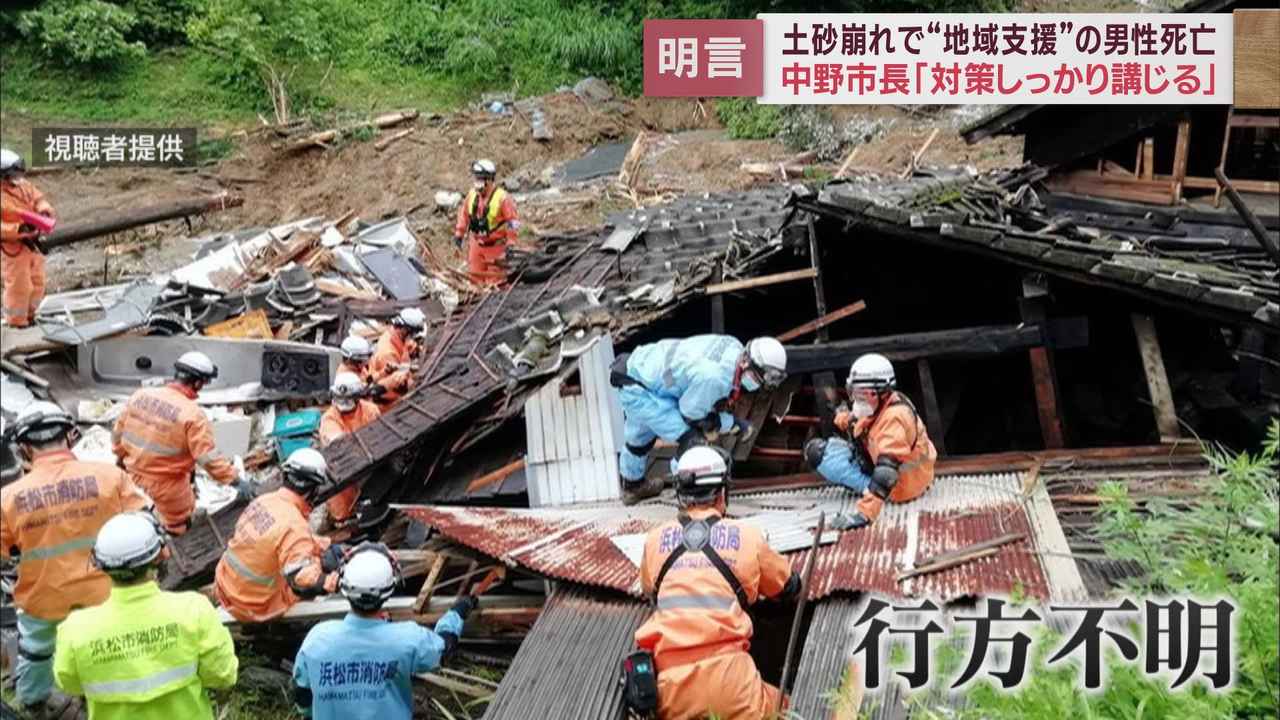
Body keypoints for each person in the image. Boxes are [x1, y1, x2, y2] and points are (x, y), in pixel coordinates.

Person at [0, 402, 151, 717]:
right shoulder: (111, 477)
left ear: (25, 448)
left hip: (45, 598)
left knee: (36, 652)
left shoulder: (9, 498)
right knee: (112, 648)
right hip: (105, 594)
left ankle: (34, 701)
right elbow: (148, 528)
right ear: (69, 437)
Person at [635, 446, 801, 720]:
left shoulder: (654, 541)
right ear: (722, 493)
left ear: (681, 495)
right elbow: (787, 587)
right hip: (731, 684)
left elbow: (648, 590)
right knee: (788, 708)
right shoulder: (747, 537)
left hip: (671, 690)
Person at [53, 512, 239, 720]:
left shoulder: (76, 631)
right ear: (161, 555)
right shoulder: (194, 610)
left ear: (101, 565)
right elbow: (223, 674)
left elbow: (69, 682)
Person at [292, 543, 475, 720]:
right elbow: (445, 648)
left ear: (345, 587)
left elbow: (302, 693)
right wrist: (456, 613)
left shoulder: (317, 638)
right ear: (389, 589)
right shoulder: (408, 639)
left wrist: (309, 713)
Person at [611, 335, 787, 504]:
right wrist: (732, 424)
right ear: (747, 363)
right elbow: (691, 415)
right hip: (638, 388)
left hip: (642, 369)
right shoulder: (715, 377)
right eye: (760, 378)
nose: (760, 383)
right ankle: (688, 499)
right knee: (691, 440)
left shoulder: (733, 345)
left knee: (640, 437)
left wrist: (729, 422)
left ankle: (632, 487)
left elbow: (697, 396)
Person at [112, 351, 254, 535]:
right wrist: (235, 480)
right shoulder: (193, 415)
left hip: (131, 475)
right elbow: (208, 459)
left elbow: (117, 433)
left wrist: (120, 457)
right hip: (167, 486)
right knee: (178, 527)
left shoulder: (141, 396)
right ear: (198, 383)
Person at [804, 353, 936, 530]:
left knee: (819, 455)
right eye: (856, 393)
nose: (858, 399)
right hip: (917, 475)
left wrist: (863, 514)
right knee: (834, 446)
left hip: (900, 487)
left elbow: (886, 473)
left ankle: (866, 489)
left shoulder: (893, 420)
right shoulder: (889, 402)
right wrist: (841, 417)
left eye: (862, 394)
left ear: (879, 392)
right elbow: (861, 422)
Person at [214, 448, 342, 623]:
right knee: (318, 571)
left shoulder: (263, 501)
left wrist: (323, 544)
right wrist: (332, 581)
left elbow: (276, 538)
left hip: (226, 586)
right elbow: (302, 577)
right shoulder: (295, 527)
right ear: (310, 490)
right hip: (253, 606)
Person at [1, 148, 55, 329]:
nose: (18, 177)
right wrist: (18, 229)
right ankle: (16, 322)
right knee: (19, 286)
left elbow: (38, 198)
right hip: (14, 248)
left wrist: (44, 210)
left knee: (37, 281)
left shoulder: (23, 185)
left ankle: (31, 315)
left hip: (32, 243)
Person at [318, 372, 381, 525]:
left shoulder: (370, 410)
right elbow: (338, 444)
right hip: (343, 474)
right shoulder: (330, 418)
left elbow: (380, 437)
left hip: (369, 468)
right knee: (343, 516)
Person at [453, 159, 519, 285]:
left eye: (480, 180)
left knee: (495, 285)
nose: (477, 185)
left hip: (496, 249)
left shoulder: (503, 199)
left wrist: (511, 243)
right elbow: (464, 215)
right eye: (476, 180)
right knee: (474, 282)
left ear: (489, 180)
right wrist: (459, 235)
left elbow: (513, 222)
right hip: (476, 247)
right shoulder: (472, 195)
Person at [368, 308, 424, 405]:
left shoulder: (396, 335)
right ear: (405, 329)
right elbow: (399, 386)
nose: (412, 335)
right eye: (412, 332)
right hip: (389, 401)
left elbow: (407, 346)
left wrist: (418, 350)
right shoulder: (387, 353)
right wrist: (415, 380)